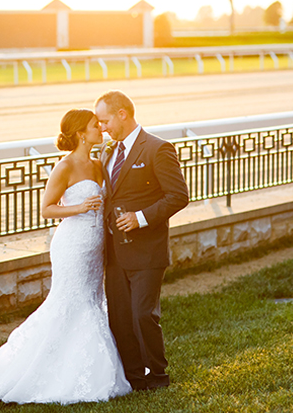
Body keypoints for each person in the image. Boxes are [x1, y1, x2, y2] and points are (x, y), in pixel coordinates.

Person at [0, 109, 132, 404]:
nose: (100, 128)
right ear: (80, 134)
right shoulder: (65, 166)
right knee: (69, 302)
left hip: (95, 247)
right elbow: (47, 209)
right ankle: (41, 370)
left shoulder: (99, 164)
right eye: (93, 126)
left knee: (92, 300)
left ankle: (89, 366)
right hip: (71, 244)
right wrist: (80, 207)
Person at [94, 90, 189, 391]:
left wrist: (141, 217)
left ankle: (158, 377)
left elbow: (178, 196)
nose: (102, 127)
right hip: (114, 253)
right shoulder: (108, 151)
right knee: (120, 319)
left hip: (147, 251)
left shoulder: (158, 148)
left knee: (143, 315)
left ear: (123, 114)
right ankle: (134, 377)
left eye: (105, 120)